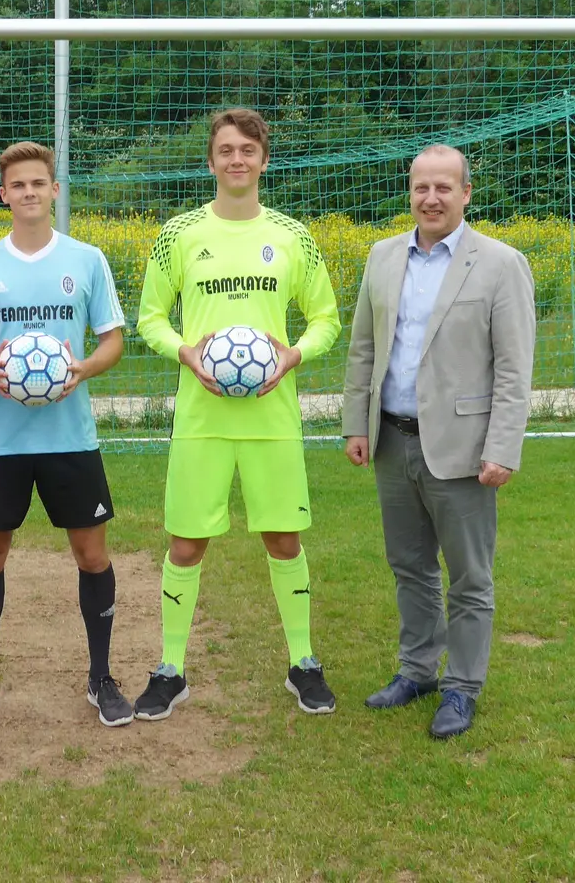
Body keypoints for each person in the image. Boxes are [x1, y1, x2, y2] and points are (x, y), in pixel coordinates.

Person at [133, 109, 342, 721]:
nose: (236, 160)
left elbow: (326, 317)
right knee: (186, 543)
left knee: (284, 537)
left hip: (271, 417)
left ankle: (303, 663)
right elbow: (150, 318)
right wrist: (185, 352)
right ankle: (170, 669)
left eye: (247, 150)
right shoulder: (179, 235)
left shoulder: (293, 236)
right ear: (211, 161)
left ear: (264, 160)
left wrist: (295, 353)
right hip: (202, 417)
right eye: (225, 150)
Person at [341, 144, 536, 739]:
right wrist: (357, 422)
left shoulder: (501, 264)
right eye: (421, 187)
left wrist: (502, 446)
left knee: (469, 577)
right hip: (392, 442)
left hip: (464, 449)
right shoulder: (381, 257)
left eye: (444, 188)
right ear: (410, 191)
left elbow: (514, 368)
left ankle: (462, 687)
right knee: (410, 566)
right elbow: (363, 348)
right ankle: (419, 669)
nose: (431, 198)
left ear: (466, 194)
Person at [0, 141, 132, 726]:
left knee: (92, 556)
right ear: (4, 195)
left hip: (72, 437)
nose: (27, 193)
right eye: (16, 185)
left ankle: (101, 678)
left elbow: (112, 340)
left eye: (37, 183)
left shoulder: (87, 259)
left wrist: (83, 370)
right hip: (1, 441)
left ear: (54, 191)